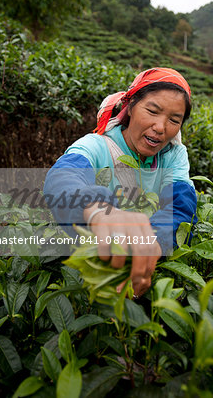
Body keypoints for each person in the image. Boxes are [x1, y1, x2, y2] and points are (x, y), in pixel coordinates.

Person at [44, 67, 197, 297]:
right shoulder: (97, 146)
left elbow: (181, 205)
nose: (160, 127)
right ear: (131, 106)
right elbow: (62, 178)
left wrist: (151, 245)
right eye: (153, 111)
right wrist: (97, 210)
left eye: (174, 120)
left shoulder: (173, 155)